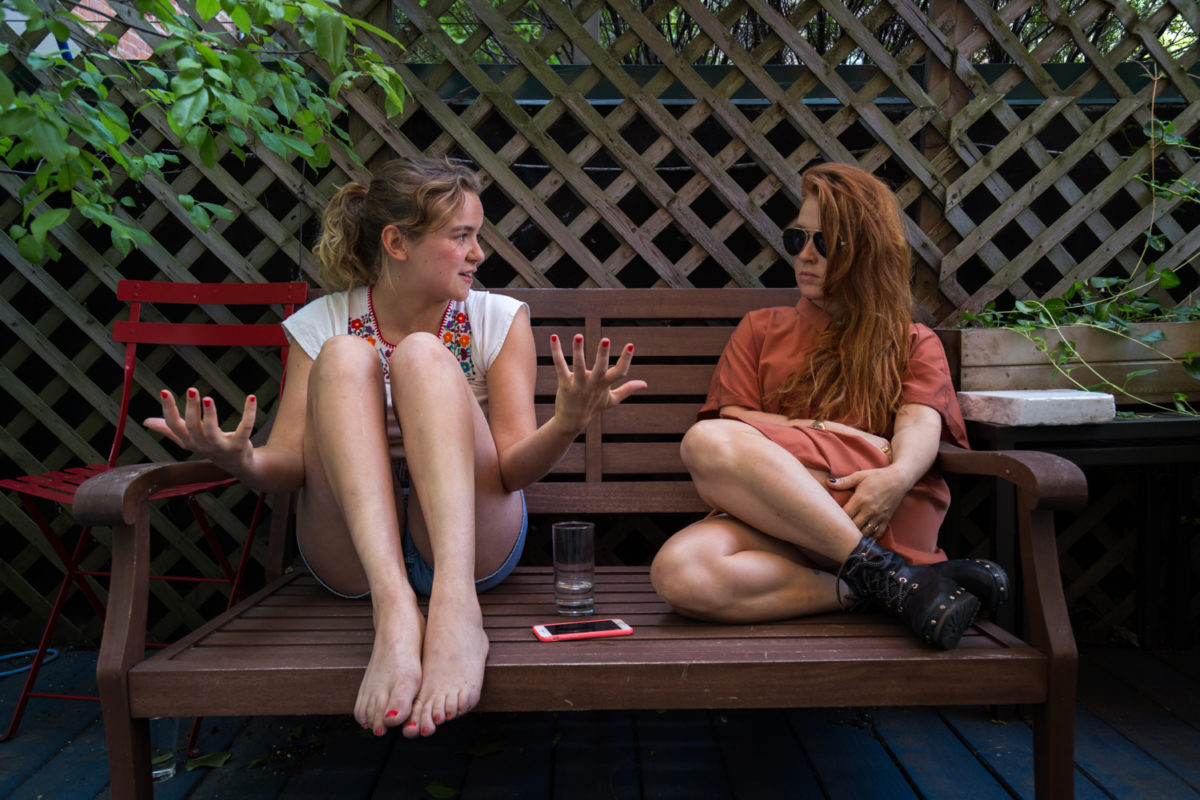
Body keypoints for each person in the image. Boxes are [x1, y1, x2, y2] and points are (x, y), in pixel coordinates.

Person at [145, 156, 646, 737]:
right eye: (461, 237)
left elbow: (510, 470)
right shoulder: (323, 323)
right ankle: (395, 614)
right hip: (354, 554)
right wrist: (243, 460)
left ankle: (456, 613)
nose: (479, 253)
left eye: (476, 236)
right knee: (345, 355)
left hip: (468, 543)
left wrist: (564, 423)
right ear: (397, 242)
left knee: (422, 354)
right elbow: (289, 466)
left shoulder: (497, 319)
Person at [649, 162, 1007, 650]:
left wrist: (895, 477)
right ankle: (890, 585)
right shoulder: (760, 330)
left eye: (828, 243)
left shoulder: (910, 342)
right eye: (798, 239)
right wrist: (842, 433)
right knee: (679, 572)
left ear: (866, 251)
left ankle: (887, 572)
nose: (807, 255)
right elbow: (728, 431)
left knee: (711, 441)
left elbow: (920, 426)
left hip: (875, 508)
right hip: (781, 519)